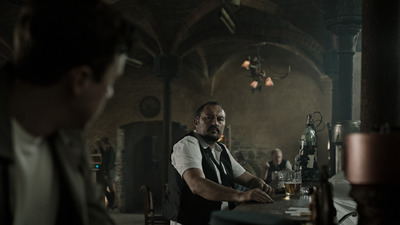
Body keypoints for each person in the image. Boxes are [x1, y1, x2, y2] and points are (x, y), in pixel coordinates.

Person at [0, 0, 136, 224]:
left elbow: (91, 214)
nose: (110, 94)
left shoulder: (68, 131)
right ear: (80, 80)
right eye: (111, 83)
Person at [163, 101, 274, 225]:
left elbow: (249, 180)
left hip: (221, 219)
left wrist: (260, 185)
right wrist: (241, 195)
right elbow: (197, 184)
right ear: (196, 122)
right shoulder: (187, 144)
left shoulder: (221, 149)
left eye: (220, 119)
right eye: (208, 118)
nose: (215, 123)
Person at [100, 136, 117, 210]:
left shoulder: (111, 150)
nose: (103, 145)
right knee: (106, 188)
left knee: (110, 188)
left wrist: (106, 173)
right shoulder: (108, 150)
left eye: (103, 144)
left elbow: (109, 162)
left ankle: (111, 204)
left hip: (109, 171)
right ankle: (110, 204)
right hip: (107, 171)